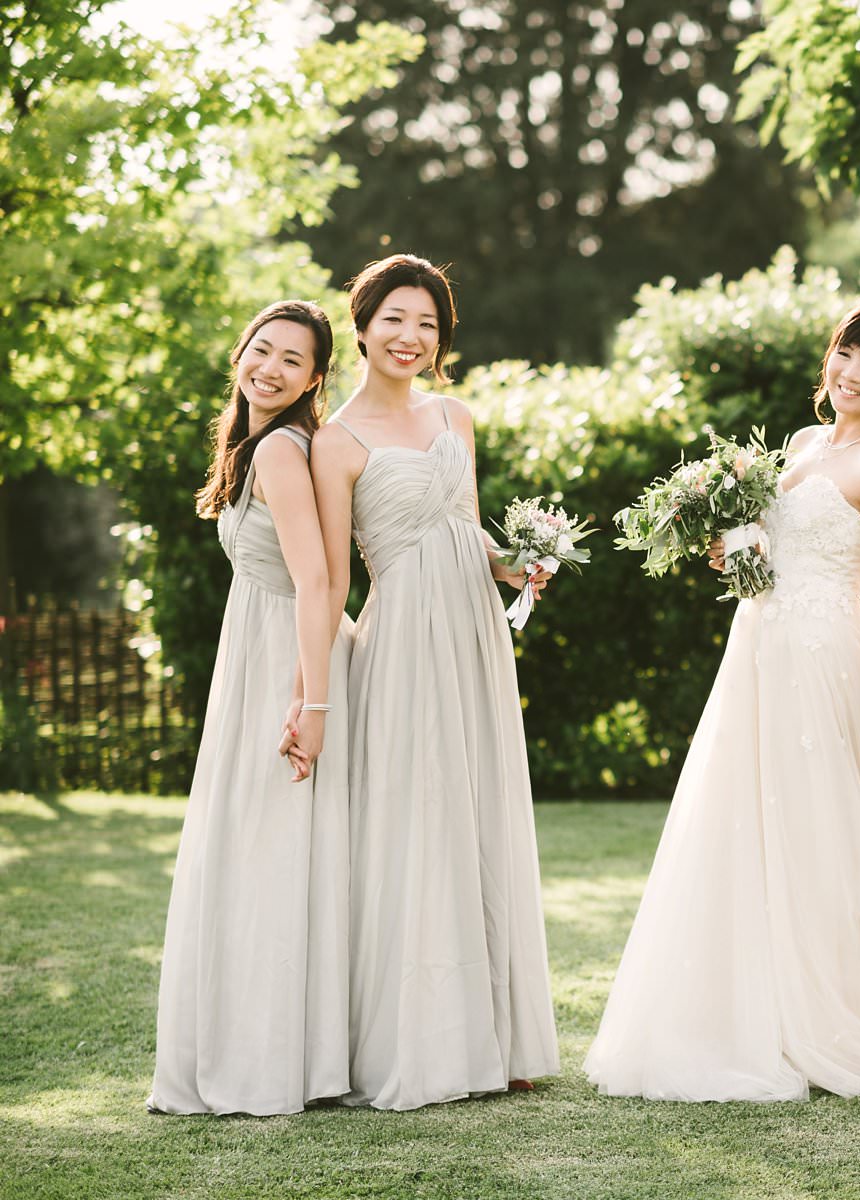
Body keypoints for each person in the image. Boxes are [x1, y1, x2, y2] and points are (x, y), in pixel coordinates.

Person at [585, 300, 860, 1101]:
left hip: (823, 655)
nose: (852, 373)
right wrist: (739, 550)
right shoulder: (803, 444)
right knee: (743, 819)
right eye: (847, 354)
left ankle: (822, 1015)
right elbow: (774, 548)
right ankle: (741, 1007)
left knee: (816, 828)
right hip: (757, 646)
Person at [307, 254, 557, 1110]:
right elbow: (332, 577)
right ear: (362, 325)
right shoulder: (335, 441)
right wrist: (313, 686)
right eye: (395, 319)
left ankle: (495, 1035)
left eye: (428, 324)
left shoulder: (455, 414)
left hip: (475, 633)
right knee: (418, 820)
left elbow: (465, 525)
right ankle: (419, 1041)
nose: (411, 337)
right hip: (404, 637)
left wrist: (515, 564)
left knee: (480, 809)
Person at [150, 300, 352, 1115]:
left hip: (287, 659)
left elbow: (317, 581)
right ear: (240, 354)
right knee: (267, 848)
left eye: (292, 361)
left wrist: (310, 700)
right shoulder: (260, 445)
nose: (270, 368)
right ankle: (282, 1047)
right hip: (262, 651)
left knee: (270, 847)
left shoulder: (277, 449)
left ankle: (274, 1058)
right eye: (261, 350)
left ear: (313, 380)